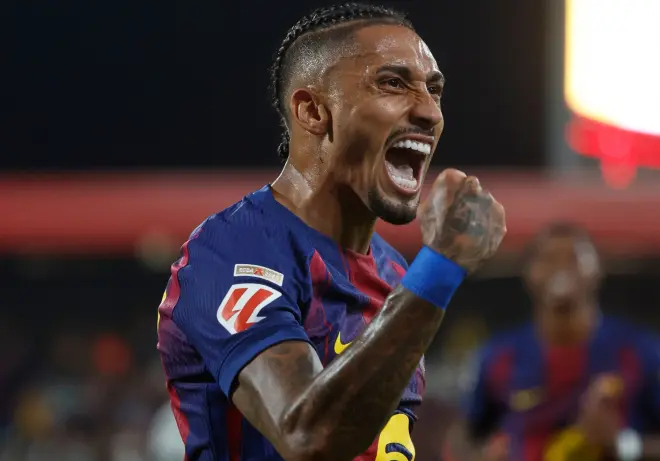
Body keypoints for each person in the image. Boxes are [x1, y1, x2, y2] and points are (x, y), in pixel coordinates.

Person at [156, 3, 506, 461]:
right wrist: (440, 268)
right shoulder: (229, 252)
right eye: (393, 83)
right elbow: (308, 437)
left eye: (434, 89)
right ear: (313, 110)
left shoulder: (397, 274)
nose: (429, 112)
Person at [447, 222, 660, 461]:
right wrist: (482, 457)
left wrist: (624, 445)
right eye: (548, 259)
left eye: (574, 258)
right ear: (529, 274)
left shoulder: (638, 352)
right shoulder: (499, 358)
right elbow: (462, 439)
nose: (561, 267)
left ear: (598, 269)